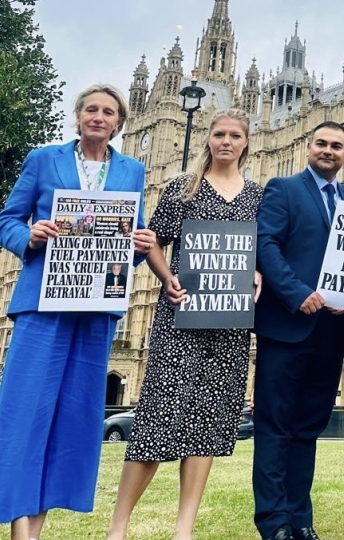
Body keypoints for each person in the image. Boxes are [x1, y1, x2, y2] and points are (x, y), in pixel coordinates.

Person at [0, 84, 155, 540]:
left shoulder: (132, 170)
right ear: (78, 116)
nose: (99, 117)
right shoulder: (44, 159)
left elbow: (122, 243)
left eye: (108, 112)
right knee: (25, 412)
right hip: (43, 303)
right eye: (91, 109)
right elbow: (6, 223)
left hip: (96, 309)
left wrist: (138, 246)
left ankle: (40, 523)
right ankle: (21, 529)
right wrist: (31, 236)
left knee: (73, 418)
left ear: (120, 122)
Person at [106, 109, 263, 540]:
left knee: (207, 423)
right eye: (218, 134)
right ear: (207, 139)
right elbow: (153, 241)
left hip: (229, 326)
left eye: (234, 135)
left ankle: (184, 529)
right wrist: (167, 278)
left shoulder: (257, 196)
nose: (226, 142)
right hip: (180, 320)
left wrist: (258, 273)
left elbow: (257, 251)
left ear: (246, 142)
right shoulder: (183, 188)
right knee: (158, 418)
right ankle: (117, 528)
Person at [253, 121, 344, 540]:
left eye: (337, 145)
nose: (329, 151)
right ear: (307, 147)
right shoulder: (283, 188)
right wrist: (298, 293)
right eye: (322, 143)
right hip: (286, 327)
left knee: (307, 430)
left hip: (331, 332)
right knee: (275, 427)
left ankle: (300, 519)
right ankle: (273, 522)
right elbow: (266, 245)